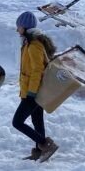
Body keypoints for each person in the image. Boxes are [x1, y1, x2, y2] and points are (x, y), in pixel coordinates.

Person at [13, 11, 59, 161]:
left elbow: (37, 70)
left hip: (33, 91)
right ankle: (40, 151)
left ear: (25, 27)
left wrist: (31, 93)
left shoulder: (34, 45)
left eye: (19, 26)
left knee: (17, 122)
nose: (17, 29)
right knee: (37, 120)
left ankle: (45, 144)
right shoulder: (29, 43)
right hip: (33, 90)